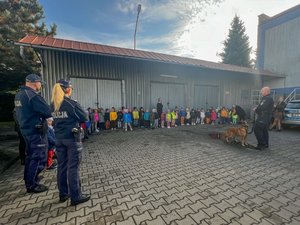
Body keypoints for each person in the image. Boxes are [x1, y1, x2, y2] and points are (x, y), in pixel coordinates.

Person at [51, 79, 90, 205]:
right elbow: (84, 116)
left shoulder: (53, 104)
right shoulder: (71, 103)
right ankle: (76, 196)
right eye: (71, 88)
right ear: (67, 89)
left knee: (62, 167)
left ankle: (63, 194)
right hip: (72, 139)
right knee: (73, 168)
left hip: (59, 139)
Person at [14, 74, 51, 193]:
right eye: (40, 83)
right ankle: (32, 185)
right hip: (36, 131)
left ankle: (30, 178)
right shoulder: (33, 96)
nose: (40, 85)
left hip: (26, 129)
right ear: (35, 82)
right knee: (38, 157)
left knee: (30, 156)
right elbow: (47, 111)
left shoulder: (19, 94)